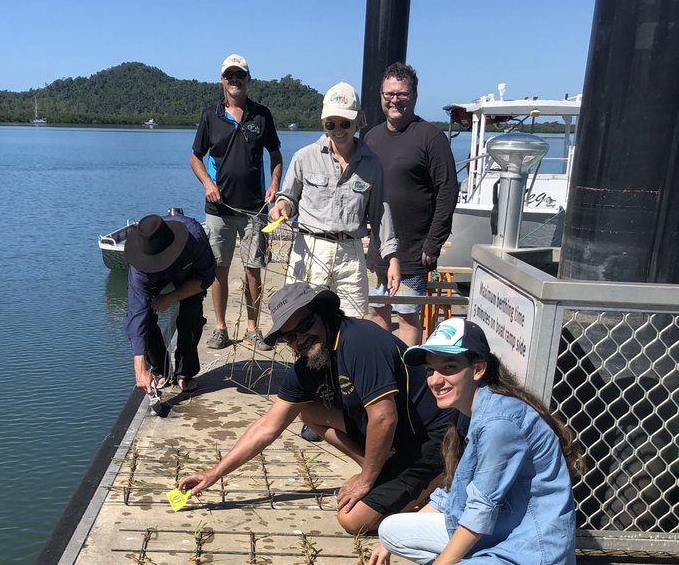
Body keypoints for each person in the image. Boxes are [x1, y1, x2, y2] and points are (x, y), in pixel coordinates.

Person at [368, 319, 582, 565]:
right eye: (431, 370)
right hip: (501, 534)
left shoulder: (499, 424)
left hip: (527, 556)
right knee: (391, 528)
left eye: (449, 368)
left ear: (478, 369)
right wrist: (388, 542)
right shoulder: (474, 408)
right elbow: (455, 496)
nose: (436, 380)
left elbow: (478, 516)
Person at [178, 281, 454, 534]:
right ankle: (382, 470)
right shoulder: (308, 364)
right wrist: (214, 473)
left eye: (305, 325)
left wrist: (366, 481)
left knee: (354, 520)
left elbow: (384, 418)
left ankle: (438, 476)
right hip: (395, 434)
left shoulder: (360, 340)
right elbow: (267, 426)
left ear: (323, 314)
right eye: (289, 336)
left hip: (429, 436)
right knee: (309, 412)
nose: (300, 338)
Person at [269, 83, 400, 318]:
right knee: (305, 319)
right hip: (310, 247)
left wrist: (392, 259)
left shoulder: (373, 164)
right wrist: (282, 206)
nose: (338, 130)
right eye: (331, 124)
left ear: (358, 121)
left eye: (345, 123)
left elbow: (382, 215)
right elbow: (288, 196)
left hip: (351, 252)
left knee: (352, 322)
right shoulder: (304, 157)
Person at [363, 62, 458, 348]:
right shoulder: (371, 138)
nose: (395, 99)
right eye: (389, 93)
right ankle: (382, 371)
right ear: (381, 95)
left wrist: (433, 243)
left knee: (407, 316)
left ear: (414, 96)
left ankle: (409, 375)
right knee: (376, 313)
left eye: (402, 94)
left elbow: (447, 191)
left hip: (415, 251)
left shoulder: (431, 138)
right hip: (377, 248)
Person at [190, 54, 282, 351]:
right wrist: (207, 183)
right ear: (222, 80)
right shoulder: (210, 115)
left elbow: (276, 154)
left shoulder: (261, 115)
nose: (234, 80)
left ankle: (253, 328)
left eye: (239, 75)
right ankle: (220, 328)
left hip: (255, 208)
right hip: (219, 209)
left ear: (248, 79)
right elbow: (195, 157)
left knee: (253, 269)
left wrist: (275, 185)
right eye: (229, 76)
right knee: (219, 268)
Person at [124, 213, 216, 400]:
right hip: (153, 277)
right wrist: (139, 368)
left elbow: (205, 278)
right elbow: (136, 314)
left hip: (188, 273)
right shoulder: (139, 267)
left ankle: (185, 372)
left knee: (191, 314)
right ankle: (160, 368)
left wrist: (171, 298)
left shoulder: (195, 238)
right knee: (144, 318)